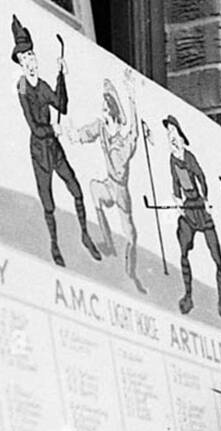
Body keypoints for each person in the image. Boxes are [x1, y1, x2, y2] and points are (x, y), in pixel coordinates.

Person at [10, 15, 102, 267]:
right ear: (19, 61)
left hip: (54, 147)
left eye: (32, 56)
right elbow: (34, 126)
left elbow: (60, 104)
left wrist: (62, 77)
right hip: (40, 150)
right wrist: (53, 128)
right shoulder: (23, 89)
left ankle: (84, 234)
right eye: (25, 57)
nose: (30, 61)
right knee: (47, 200)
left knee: (75, 188)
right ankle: (54, 244)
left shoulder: (42, 85)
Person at [70, 70, 145, 293]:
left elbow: (135, 132)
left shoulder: (124, 142)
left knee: (130, 232)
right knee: (94, 188)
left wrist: (131, 97)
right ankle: (108, 242)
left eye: (105, 109)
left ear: (112, 111)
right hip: (108, 184)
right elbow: (86, 132)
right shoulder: (102, 128)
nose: (102, 113)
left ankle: (131, 273)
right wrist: (74, 134)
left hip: (121, 191)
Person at [163, 115, 221, 329]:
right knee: (184, 249)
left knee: (217, 259)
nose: (172, 139)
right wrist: (177, 200)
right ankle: (188, 295)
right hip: (188, 208)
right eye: (169, 135)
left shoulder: (189, 157)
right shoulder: (172, 159)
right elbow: (175, 182)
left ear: (182, 136)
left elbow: (201, 177)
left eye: (174, 134)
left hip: (200, 208)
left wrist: (205, 198)